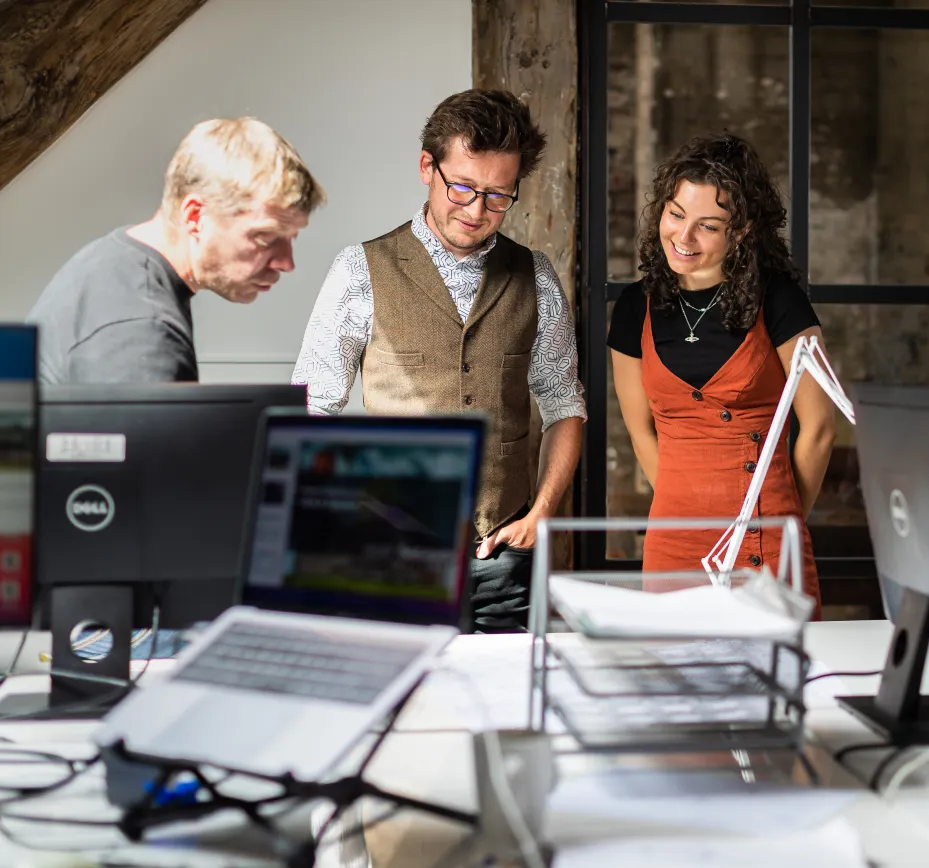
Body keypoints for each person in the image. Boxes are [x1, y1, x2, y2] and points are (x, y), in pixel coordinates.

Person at [292, 89, 586, 633]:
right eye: (464, 188)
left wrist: (541, 511)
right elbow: (313, 410)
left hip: (506, 556)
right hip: (394, 556)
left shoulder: (536, 276)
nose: (477, 211)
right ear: (428, 167)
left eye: (499, 196)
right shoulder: (360, 270)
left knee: (507, 705)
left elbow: (565, 404)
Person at [607, 133, 836, 615]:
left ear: (744, 230)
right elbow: (639, 427)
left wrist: (782, 517)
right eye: (675, 214)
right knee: (677, 677)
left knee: (778, 681)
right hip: (673, 537)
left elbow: (818, 427)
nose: (683, 237)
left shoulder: (780, 301)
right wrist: (683, 503)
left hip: (766, 533)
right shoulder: (633, 307)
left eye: (707, 226)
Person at [28, 117, 325, 384]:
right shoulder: (140, 331)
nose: (287, 263)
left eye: (291, 238)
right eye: (264, 237)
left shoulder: (115, 266)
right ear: (195, 216)